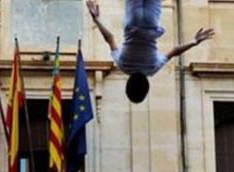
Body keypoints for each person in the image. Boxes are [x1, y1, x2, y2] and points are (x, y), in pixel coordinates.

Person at [85, 0, 215, 103]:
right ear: (128, 84)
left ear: (146, 86)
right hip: (133, 22)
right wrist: (96, 19)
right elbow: (109, 38)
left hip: (150, 23)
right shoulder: (122, 65)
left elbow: (174, 51)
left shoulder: (152, 68)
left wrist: (194, 41)